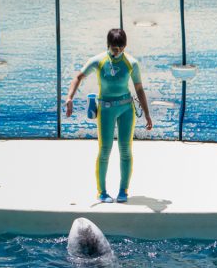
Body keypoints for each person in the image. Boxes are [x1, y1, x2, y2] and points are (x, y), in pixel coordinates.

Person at [64, 28, 153, 203]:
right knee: (104, 151)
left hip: (126, 108)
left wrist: (147, 115)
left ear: (125, 46)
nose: (117, 51)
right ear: (108, 45)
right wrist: (70, 98)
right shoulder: (99, 61)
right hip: (105, 109)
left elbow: (139, 89)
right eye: (114, 47)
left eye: (120, 47)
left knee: (125, 150)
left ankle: (123, 190)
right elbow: (78, 77)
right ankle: (102, 192)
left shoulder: (131, 63)